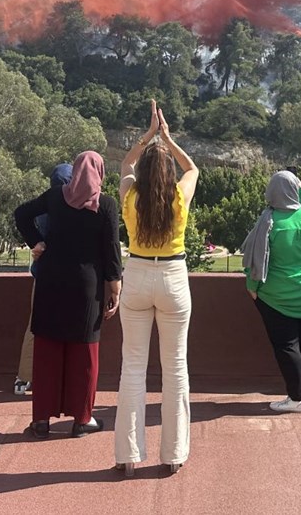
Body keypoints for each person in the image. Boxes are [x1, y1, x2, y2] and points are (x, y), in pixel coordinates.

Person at [114, 100, 198, 477]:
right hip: (173, 279)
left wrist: (148, 137)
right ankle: (174, 453)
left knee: (132, 368)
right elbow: (192, 167)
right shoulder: (179, 198)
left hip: (136, 274)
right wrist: (168, 139)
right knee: (175, 368)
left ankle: (128, 454)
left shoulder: (131, 195)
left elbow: (125, 165)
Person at [14, 151, 122, 439]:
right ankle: (82, 419)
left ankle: (40, 421)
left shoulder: (55, 196)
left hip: (50, 282)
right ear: (99, 173)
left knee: (47, 351)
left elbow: (21, 214)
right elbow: (112, 250)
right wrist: (115, 287)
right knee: (85, 355)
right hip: (86, 288)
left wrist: (37, 241)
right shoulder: (106, 205)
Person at [241, 170, 301, 414]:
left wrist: (252, 288)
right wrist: (299, 186)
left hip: (279, 298)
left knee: (287, 344)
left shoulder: (270, 222)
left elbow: (257, 261)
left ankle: (298, 397)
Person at [14, 162, 74, 396]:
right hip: (70, 277)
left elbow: (21, 215)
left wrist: (35, 242)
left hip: (44, 273)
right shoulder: (75, 203)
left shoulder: (44, 204)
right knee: (71, 327)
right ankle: (65, 378)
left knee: (35, 326)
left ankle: (24, 378)